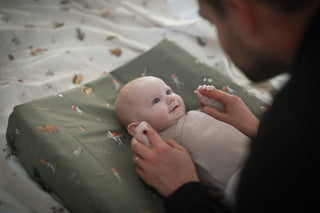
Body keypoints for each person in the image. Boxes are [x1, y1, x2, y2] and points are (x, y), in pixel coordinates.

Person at [131, 0, 320, 212]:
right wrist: (258, 130)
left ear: (242, 11)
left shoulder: (292, 128)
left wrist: (183, 190)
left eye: (212, 23)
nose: (170, 98)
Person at [115, 76, 249, 192]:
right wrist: (143, 134)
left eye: (168, 91)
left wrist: (214, 103)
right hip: (235, 182)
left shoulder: (197, 113)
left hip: (257, 156)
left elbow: (225, 117)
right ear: (137, 126)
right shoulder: (163, 141)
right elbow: (153, 156)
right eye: (156, 100)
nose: (170, 99)